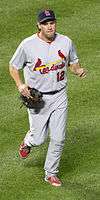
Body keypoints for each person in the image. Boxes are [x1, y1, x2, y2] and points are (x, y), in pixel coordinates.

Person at [9, 9, 86, 187]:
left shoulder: (65, 41)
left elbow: (73, 62)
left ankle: (51, 173)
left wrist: (77, 70)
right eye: (45, 23)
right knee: (38, 139)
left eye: (52, 22)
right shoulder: (27, 45)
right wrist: (20, 85)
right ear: (39, 25)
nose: (49, 26)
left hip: (60, 96)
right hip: (38, 99)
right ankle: (28, 142)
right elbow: (13, 67)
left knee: (58, 138)